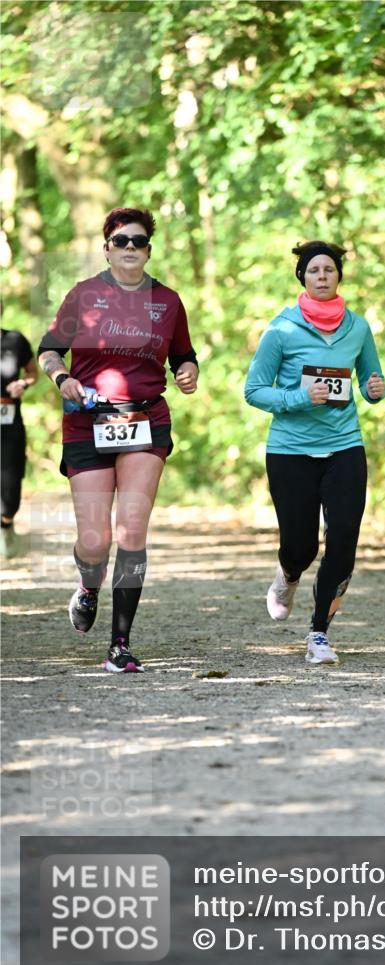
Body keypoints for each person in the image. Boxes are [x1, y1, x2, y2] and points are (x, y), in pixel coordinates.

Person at [37, 207, 198, 673]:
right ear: (106, 247)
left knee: (131, 530)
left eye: (140, 241)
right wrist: (61, 376)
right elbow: (50, 348)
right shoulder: (84, 295)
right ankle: (89, 585)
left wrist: (188, 372)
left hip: (146, 422)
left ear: (149, 249)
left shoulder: (167, 301)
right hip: (87, 423)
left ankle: (120, 645)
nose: (131, 248)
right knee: (95, 539)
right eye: (122, 240)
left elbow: (184, 356)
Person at [244, 240, 385, 664]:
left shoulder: (357, 327)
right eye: (314, 270)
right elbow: (254, 391)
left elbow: (369, 378)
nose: (322, 276)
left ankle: (319, 632)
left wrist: (374, 390)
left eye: (328, 269)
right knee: (301, 546)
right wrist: (300, 397)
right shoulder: (282, 330)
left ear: (339, 276)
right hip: (290, 451)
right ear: (302, 277)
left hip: (345, 446)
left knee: (343, 541)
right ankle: (287, 575)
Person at [1, 324, 38, 556]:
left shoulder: (15, 340)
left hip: (8, 420)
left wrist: (23, 383)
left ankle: (5, 523)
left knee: (11, 481)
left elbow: (32, 373)